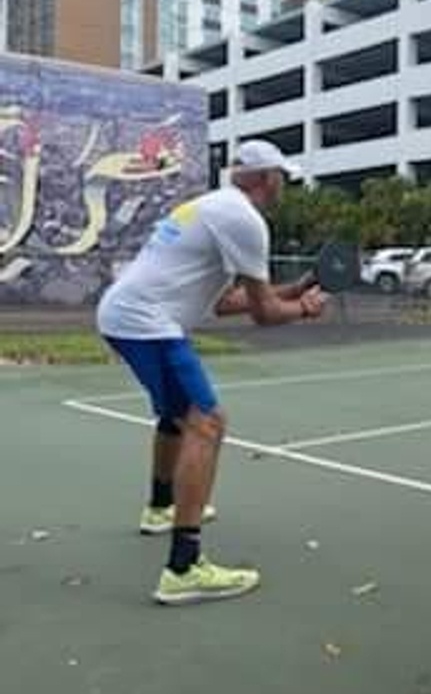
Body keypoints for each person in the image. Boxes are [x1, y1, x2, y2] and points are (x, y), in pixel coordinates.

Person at [96, 140, 327, 606]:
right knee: (207, 422)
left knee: (175, 417)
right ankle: (184, 568)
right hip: (148, 322)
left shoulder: (211, 208)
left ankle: (161, 507)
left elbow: (223, 303)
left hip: (124, 315)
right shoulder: (246, 220)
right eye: (282, 176)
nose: (284, 184)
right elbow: (264, 314)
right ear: (268, 179)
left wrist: (294, 288)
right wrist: (302, 309)